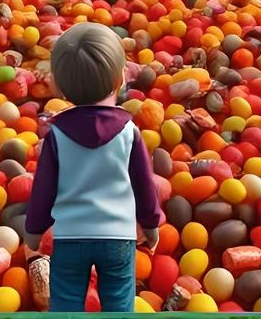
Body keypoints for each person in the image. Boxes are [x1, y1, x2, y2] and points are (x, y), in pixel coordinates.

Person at [24, 22, 163, 312]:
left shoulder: (56, 136)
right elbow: (144, 184)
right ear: (121, 80)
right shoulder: (129, 132)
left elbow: (43, 189)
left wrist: (34, 230)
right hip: (118, 237)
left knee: (66, 303)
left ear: (59, 87)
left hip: (70, 236)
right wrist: (151, 225)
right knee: (119, 303)